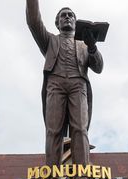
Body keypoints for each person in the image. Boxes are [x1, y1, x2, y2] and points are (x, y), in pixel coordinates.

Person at [26, 0, 104, 166]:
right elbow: (34, 22)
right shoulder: (49, 40)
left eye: (71, 16)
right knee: (54, 130)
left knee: (80, 129)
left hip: (78, 86)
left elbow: (98, 67)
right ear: (57, 23)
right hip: (55, 85)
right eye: (63, 16)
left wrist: (92, 47)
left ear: (76, 23)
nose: (67, 17)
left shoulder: (84, 44)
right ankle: (51, 177)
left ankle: (82, 175)